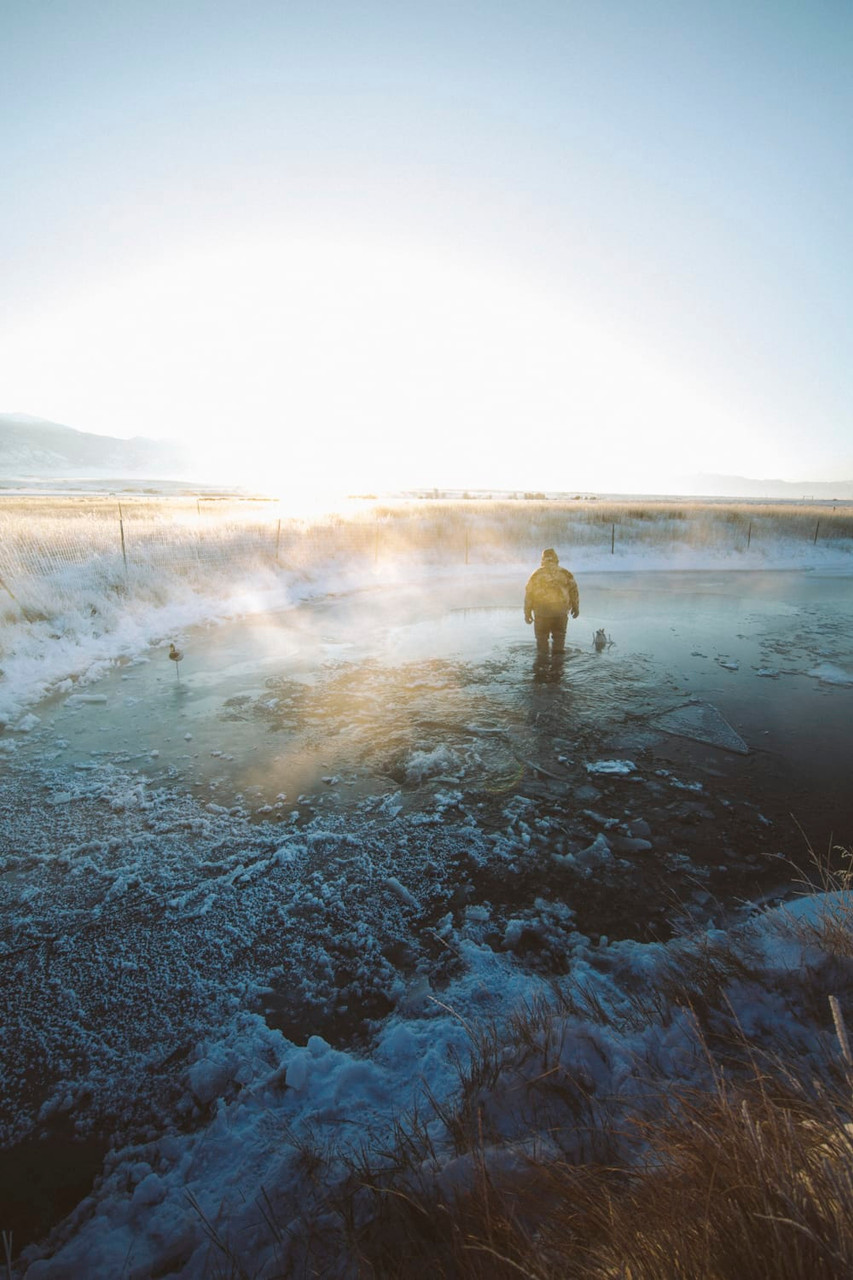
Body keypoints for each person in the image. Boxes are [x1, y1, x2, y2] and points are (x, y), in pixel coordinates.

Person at [524, 548, 579, 656]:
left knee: (542, 641)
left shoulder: (536, 575)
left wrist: (527, 613)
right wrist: (576, 607)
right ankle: (558, 668)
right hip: (560, 612)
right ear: (556, 559)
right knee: (559, 639)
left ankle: (541, 667)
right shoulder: (565, 573)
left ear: (543, 559)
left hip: (541, 612)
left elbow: (529, 594)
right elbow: (574, 591)